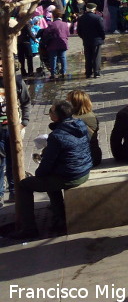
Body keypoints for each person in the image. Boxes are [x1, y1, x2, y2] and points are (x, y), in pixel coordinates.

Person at [11, 100, 92, 239]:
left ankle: (29, 229)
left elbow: (46, 165)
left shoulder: (57, 136)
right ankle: (59, 217)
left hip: (71, 176)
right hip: (83, 170)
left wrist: (37, 175)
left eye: (51, 111)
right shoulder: (80, 124)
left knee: (24, 185)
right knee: (50, 180)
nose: (49, 113)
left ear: (56, 116)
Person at [0, 61, 31, 206]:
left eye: (3, 65)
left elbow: (25, 101)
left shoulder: (17, 81)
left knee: (14, 160)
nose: (1, 69)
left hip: (14, 129)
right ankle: (0, 194)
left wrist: (24, 121)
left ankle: (14, 191)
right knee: (0, 163)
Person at [68, 89, 102, 167]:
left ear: (74, 104)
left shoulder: (72, 120)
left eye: (68, 101)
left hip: (84, 159)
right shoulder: (91, 115)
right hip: (94, 155)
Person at [75, 3, 105, 78]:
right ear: (94, 9)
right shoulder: (97, 18)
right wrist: (102, 37)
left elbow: (79, 31)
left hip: (86, 40)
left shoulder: (81, 18)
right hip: (96, 40)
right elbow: (101, 30)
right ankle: (96, 72)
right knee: (96, 56)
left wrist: (83, 37)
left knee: (88, 57)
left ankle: (88, 72)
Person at [40, 9, 70, 79]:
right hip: (63, 43)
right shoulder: (65, 24)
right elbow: (68, 34)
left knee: (53, 58)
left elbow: (46, 33)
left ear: (53, 15)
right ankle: (63, 72)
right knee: (63, 57)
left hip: (53, 43)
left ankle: (53, 73)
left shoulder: (51, 24)